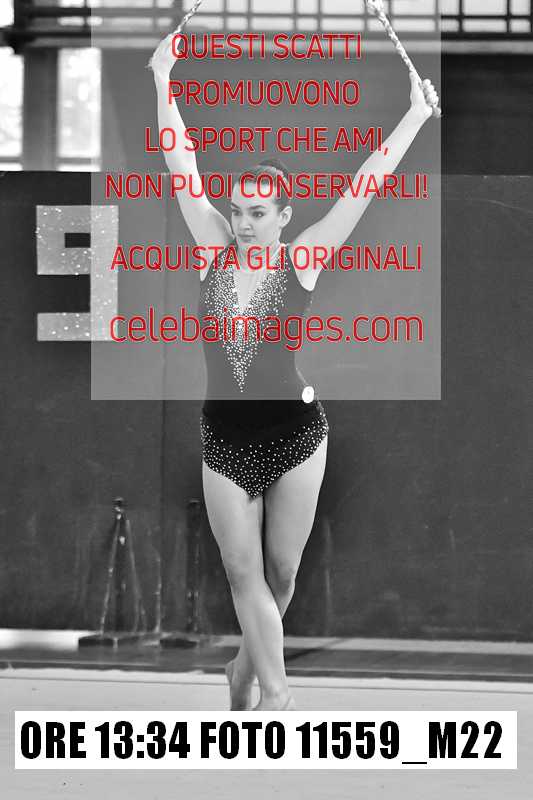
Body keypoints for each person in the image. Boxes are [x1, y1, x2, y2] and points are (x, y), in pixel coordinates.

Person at [149, 31, 439, 710]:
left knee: (280, 575)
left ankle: (241, 670)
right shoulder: (212, 250)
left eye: (257, 213)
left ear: (284, 216)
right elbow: (179, 158)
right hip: (224, 439)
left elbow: (365, 184)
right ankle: (275, 694)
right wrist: (163, 78)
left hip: (297, 435)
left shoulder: (301, 259)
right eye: (237, 211)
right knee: (241, 571)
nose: (243, 223)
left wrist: (414, 116)